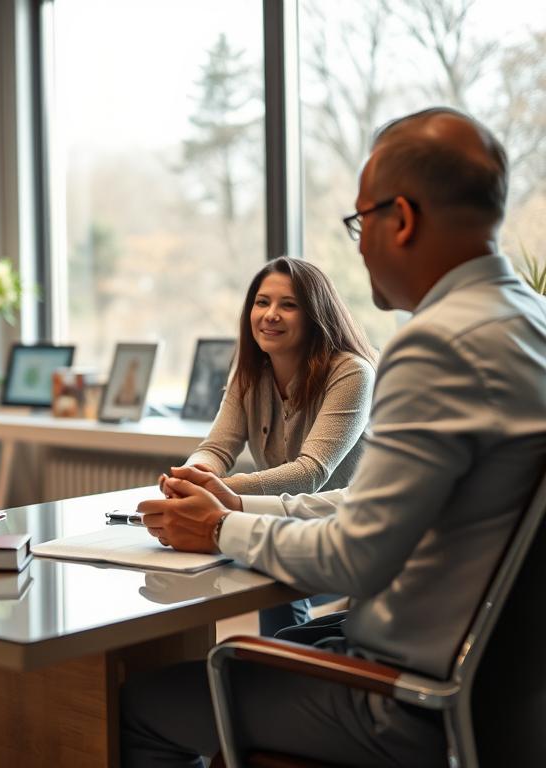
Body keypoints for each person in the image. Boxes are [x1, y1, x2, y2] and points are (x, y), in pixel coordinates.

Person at [122, 107, 546, 767]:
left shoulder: (438, 347)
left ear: (401, 220)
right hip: (503, 690)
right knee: (254, 656)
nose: (359, 245)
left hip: (406, 700)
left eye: (360, 221)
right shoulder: (527, 325)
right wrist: (237, 505)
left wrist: (220, 529)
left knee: (135, 707)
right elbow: (375, 508)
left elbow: (355, 557)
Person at [165, 257, 376, 635]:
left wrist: (217, 489)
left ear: (315, 315)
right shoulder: (250, 371)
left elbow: (311, 473)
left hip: (349, 536)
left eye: (288, 305)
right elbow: (217, 447)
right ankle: (277, 657)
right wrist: (192, 475)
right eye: (262, 302)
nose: (270, 314)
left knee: (265, 574)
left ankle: (279, 660)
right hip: (279, 524)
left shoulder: (351, 372)